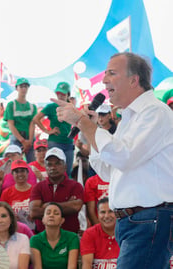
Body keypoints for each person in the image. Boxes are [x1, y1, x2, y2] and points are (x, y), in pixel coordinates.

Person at [53, 52, 173, 268]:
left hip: (149, 219)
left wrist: (82, 121)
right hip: (136, 221)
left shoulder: (154, 112)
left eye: (112, 73)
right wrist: (90, 128)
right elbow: (108, 169)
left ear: (133, 80)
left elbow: (124, 156)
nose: (104, 80)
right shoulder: (130, 117)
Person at [29, 147, 84, 234]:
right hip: (42, 238)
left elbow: (75, 207)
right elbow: (34, 212)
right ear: (45, 167)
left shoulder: (75, 186)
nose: (53, 167)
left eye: (57, 164)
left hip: (69, 237)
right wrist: (66, 206)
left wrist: (46, 206)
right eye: (49, 164)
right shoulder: (38, 187)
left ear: (65, 166)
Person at [33, 81, 74, 175]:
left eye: (63, 93)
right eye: (58, 93)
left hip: (69, 142)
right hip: (55, 141)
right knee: (55, 171)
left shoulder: (71, 107)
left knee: (67, 172)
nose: (60, 96)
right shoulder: (51, 106)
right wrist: (47, 131)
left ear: (68, 94)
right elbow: (36, 119)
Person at [30, 202, 79, 269]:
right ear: (43, 219)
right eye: (48, 213)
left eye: (56, 213)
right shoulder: (35, 240)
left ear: (62, 220)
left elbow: (72, 267)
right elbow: (37, 267)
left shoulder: (72, 237)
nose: (51, 215)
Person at [4, 78, 37, 162]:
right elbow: (11, 124)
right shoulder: (11, 105)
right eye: (21, 86)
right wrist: (22, 140)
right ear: (16, 88)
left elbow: (32, 124)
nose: (23, 89)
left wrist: (29, 141)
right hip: (16, 138)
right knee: (13, 162)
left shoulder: (32, 106)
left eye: (25, 86)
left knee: (32, 163)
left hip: (29, 139)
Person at [80, 198, 119, 269]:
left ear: (117, 213)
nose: (106, 216)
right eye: (103, 212)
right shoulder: (89, 234)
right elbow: (87, 265)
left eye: (110, 211)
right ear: (97, 214)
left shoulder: (126, 233)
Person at [0, 160, 33, 227]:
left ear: (27, 172)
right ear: (12, 174)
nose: (20, 174)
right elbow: (1, 212)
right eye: (16, 172)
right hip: (13, 229)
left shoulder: (35, 190)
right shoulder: (7, 192)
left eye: (22, 171)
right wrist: (11, 217)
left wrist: (34, 215)